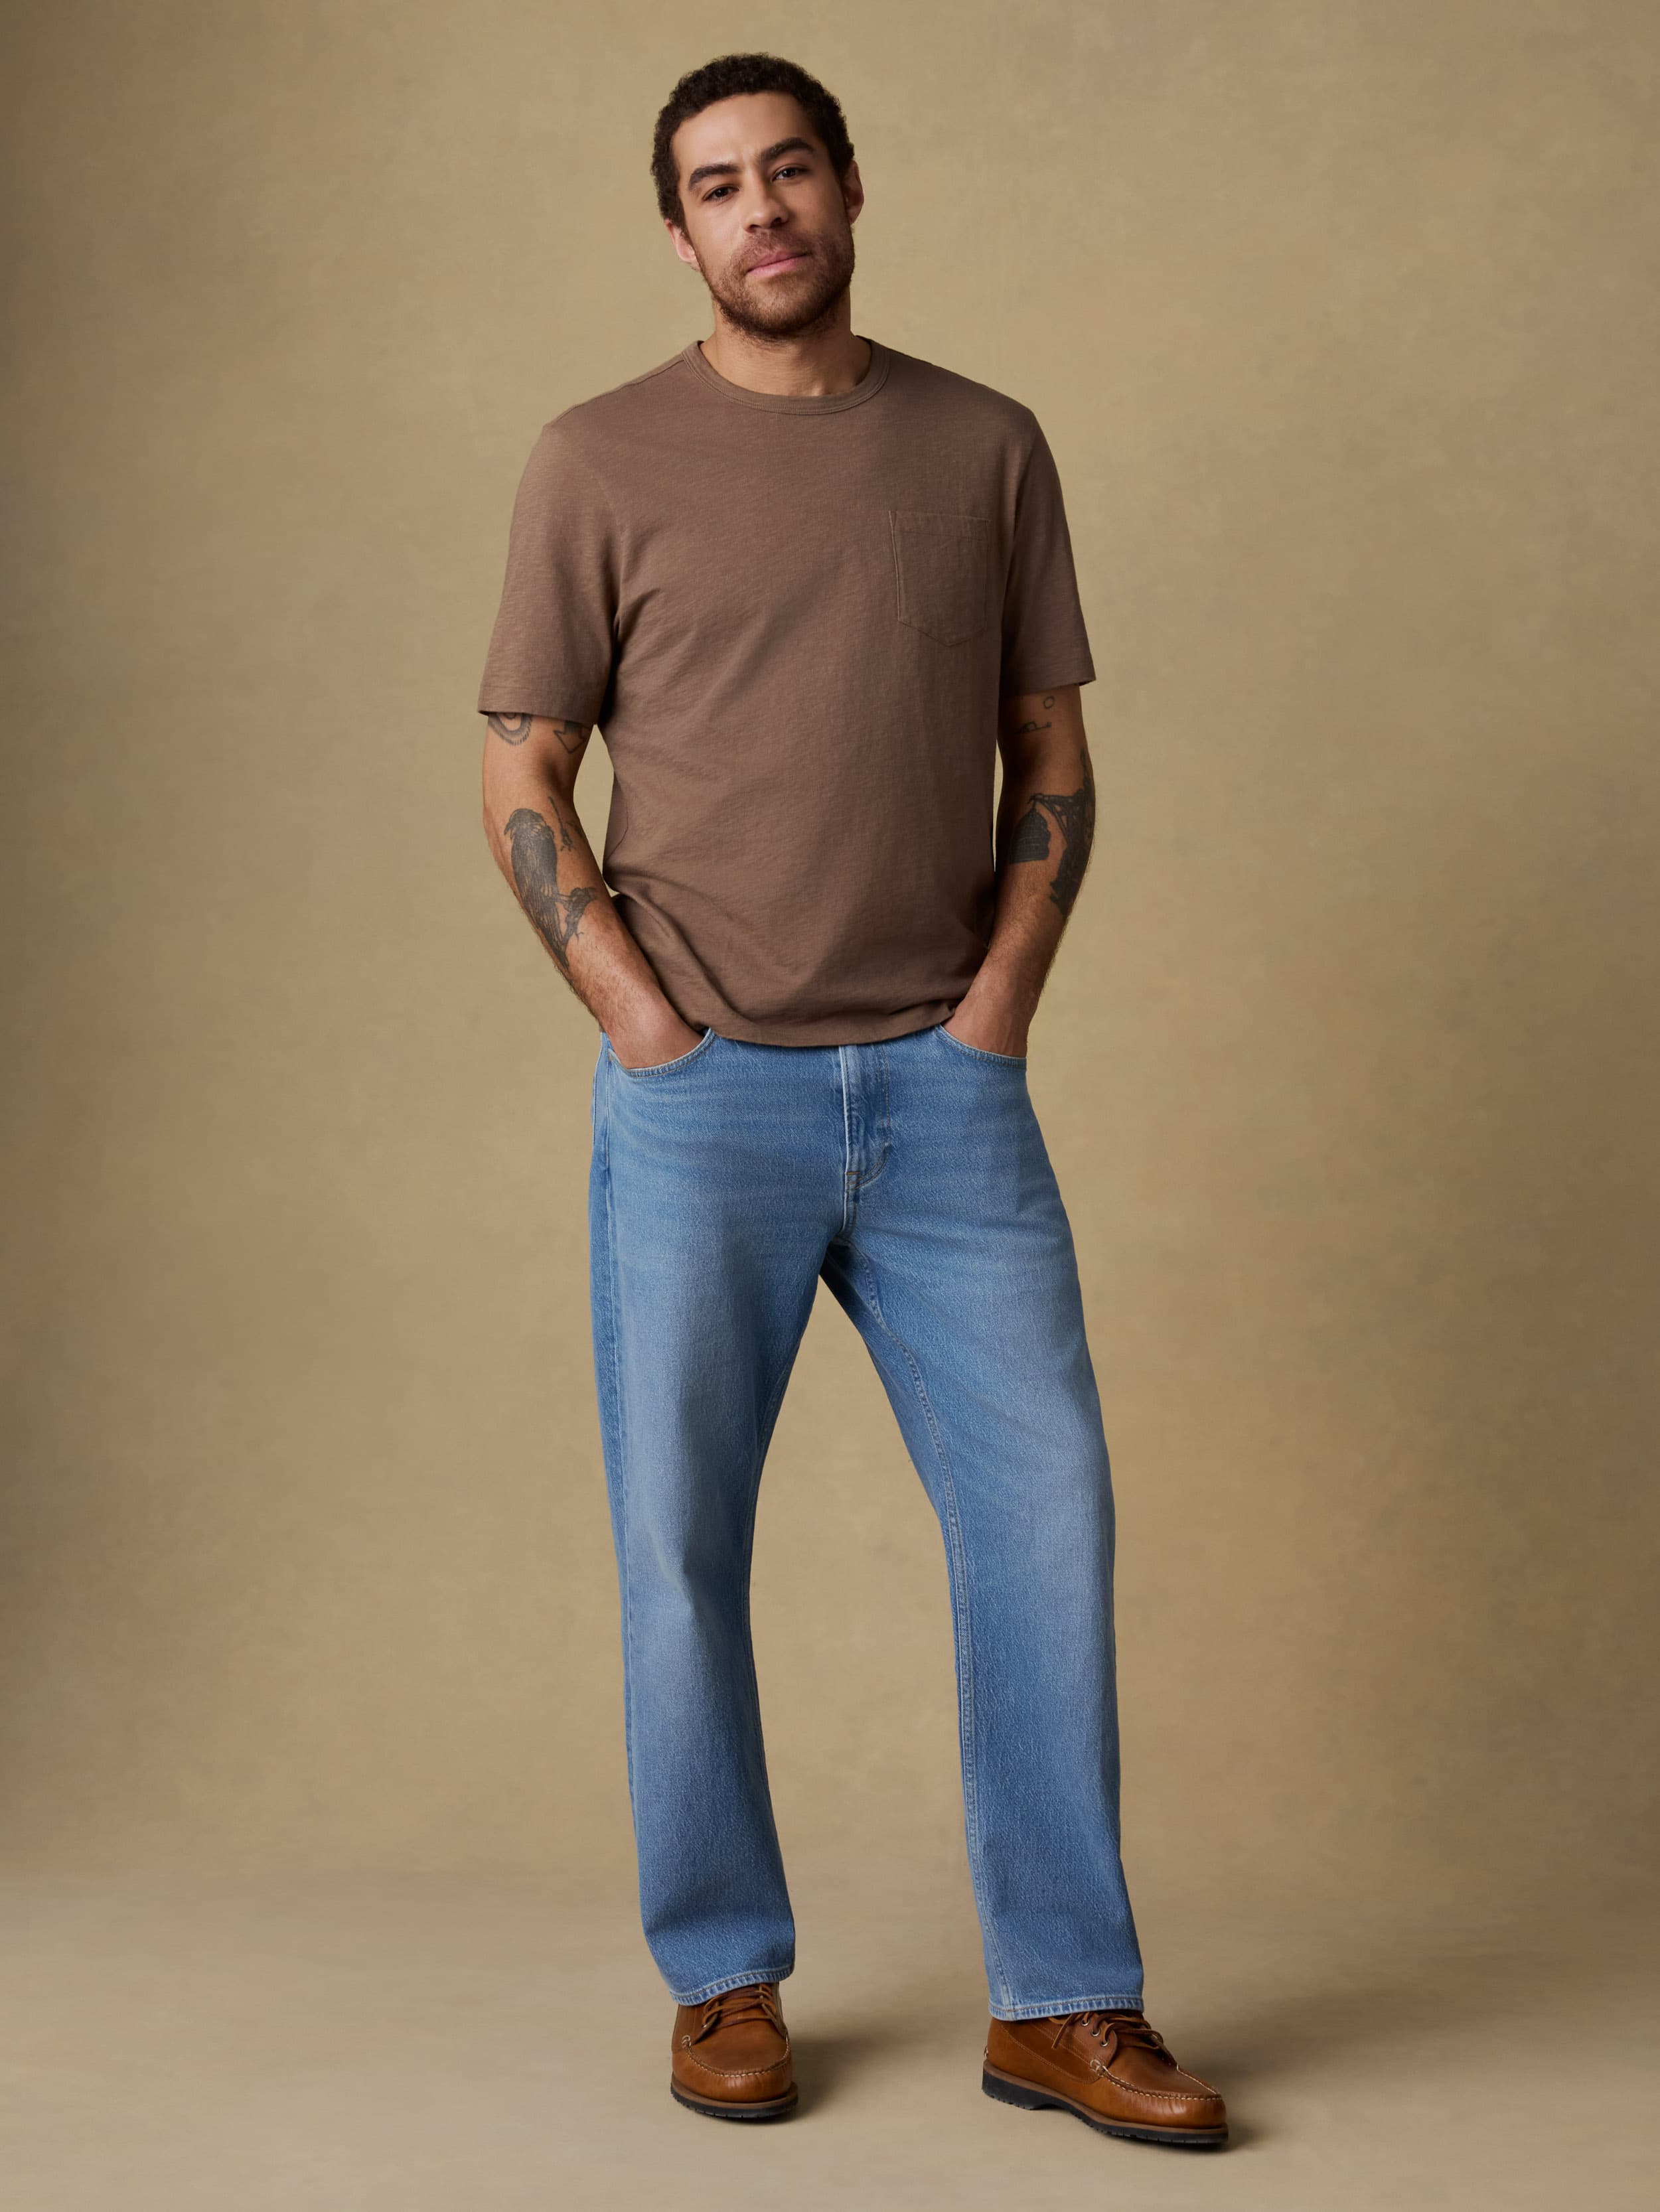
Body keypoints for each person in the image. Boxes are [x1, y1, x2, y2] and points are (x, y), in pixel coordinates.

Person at [474, 50, 1228, 2152]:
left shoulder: (985, 446)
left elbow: (1048, 748)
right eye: (717, 186)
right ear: (679, 232)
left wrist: (997, 1012)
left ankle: (1065, 2004)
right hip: (701, 1096)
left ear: (851, 188)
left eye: (789, 168)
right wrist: (637, 1019)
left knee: (1047, 1522)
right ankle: (722, 1976)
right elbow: (523, 765)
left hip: (946, 1098)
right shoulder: (595, 460)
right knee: (679, 1547)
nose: (762, 210)